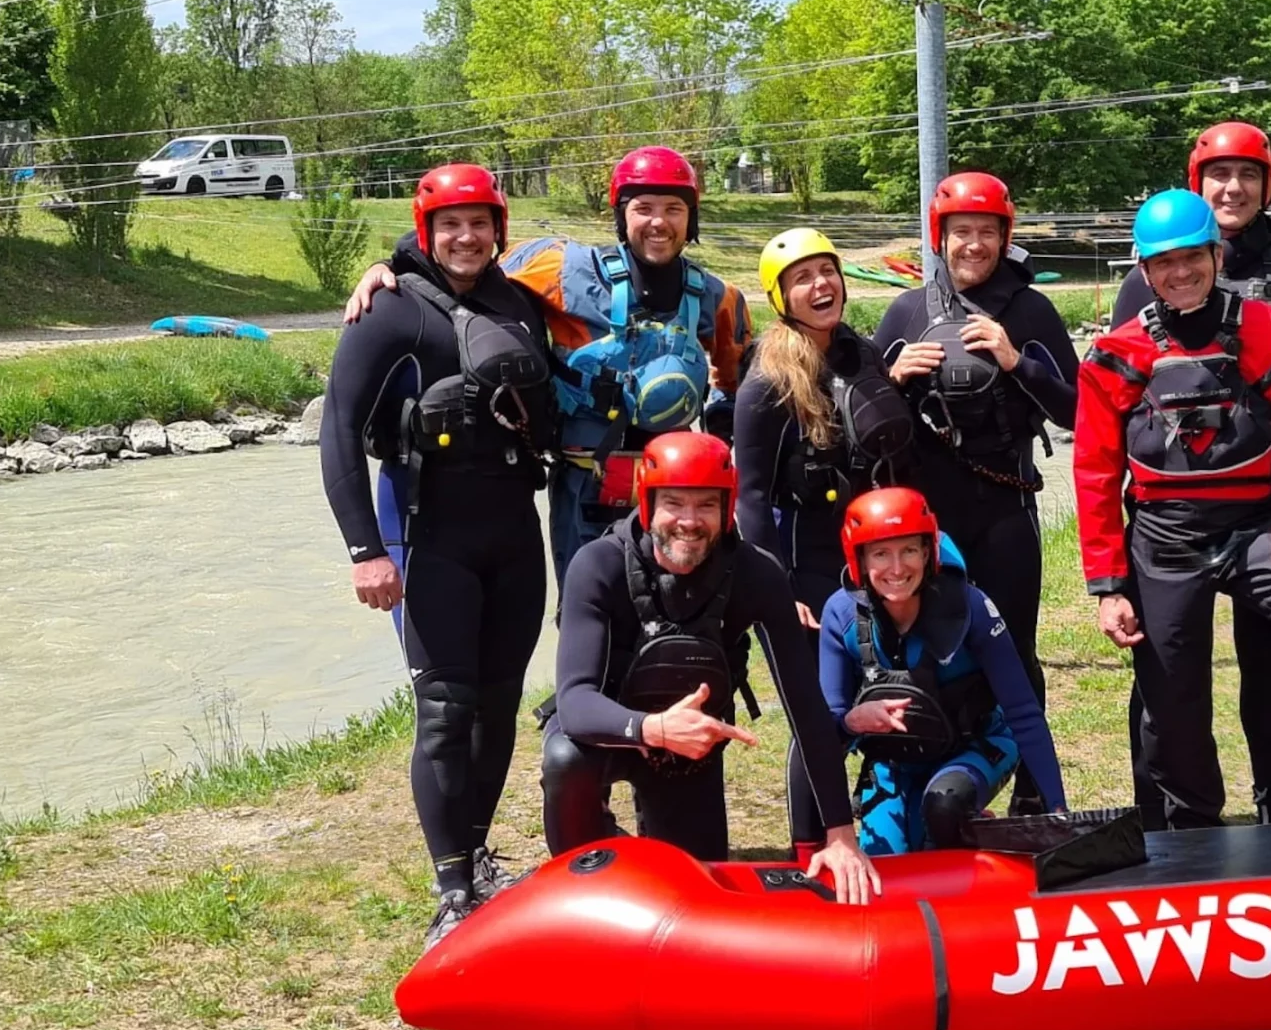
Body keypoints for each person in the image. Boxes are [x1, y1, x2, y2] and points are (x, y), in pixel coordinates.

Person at [1074, 188, 1271, 829]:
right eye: (1164, 263)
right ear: (1145, 272)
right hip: (1164, 540)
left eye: (1193, 256)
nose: (1181, 272)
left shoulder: (1270, 333)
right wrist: (1109, 584)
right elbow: (1093, 472)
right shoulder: (1118, 355)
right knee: (1174, 696)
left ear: (1215, 255)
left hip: (1256, 529)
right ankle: (1195, 824)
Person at [319, 163, 555, 948]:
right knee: (446, 709)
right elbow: (340, 430)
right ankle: (451, 888)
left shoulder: (521, 304)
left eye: (479, 223)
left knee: (498, 704)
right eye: (448, 225)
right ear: (425, 232)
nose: (465, 237)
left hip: (515, 531)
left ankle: (479, 853)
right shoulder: (386, 309)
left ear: (499, 229)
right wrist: (365, 550)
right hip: (427, 534)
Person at [344, 146, 754, 586]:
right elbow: (466, 253)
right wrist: (390, 263)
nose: (659, 222)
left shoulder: (718, 297)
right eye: (644, 208)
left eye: (674, 209)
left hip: (679, 494)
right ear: (621, 215)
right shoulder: (562, 269)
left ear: (690, 219)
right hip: (588, 490)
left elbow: (734, 390)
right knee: (592, 620)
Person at [1111, 122, 1271, 823]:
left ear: (1266, 185)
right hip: (1171, 522)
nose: (1231, 187)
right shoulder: (1141, 285)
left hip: (1267, 513)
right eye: (1217, 174)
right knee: (1163, 676)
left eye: (1246, 174)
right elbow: (1117, 412)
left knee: (1265, 668)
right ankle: (1163, 814)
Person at [540, 430, 881, 903]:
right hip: (612, 734)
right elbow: (574, 704)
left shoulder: (756, 574)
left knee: (693, 894)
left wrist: (840, 834)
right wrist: (655, 728)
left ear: (727, 508)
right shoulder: (597, 565)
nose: (689, 521)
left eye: (706, 505)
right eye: (674, 503)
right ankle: (580, 874)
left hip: (689, 755)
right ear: (647, 504)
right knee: (565, 759)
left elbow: (806, 707)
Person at [874, 171, 1078, 816]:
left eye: (986, 233)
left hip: (1004, 507)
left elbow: (1078, 412)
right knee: (928, 645)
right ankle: (936, 785)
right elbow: (865, 418)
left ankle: (1034, 795)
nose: (973, 245)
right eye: (961, 232)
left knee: (1013, 648)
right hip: (927, 515)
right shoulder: (908, 312)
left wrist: (1020, 363)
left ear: (1003, 237)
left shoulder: (1030, 309)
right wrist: (891, 374)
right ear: (941, 237)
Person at [733, 228, 921, 854]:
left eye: (827, 272)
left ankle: (886, 828)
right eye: (802, 278)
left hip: (864, 565)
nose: (821, 286)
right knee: (819, 716)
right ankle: (809, 848)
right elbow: (752, 498)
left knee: (876, 697)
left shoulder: (859, 354)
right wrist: (777, 592)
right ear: (780, 296)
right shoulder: (766, 384)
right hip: (801, 571)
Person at [818, 488, 1067, 854]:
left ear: (928, 552)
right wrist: (852, 723)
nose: (898, 568)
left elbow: (1024, 714)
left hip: (976, 748)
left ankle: (967, 826)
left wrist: (1057, 809)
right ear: (859, 560)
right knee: (890, 862)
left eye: (909, 550)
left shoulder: (972, 607)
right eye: (881, 554)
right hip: (893, 761)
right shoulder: (840, 615)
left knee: (944, 808)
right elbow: (824, 730)